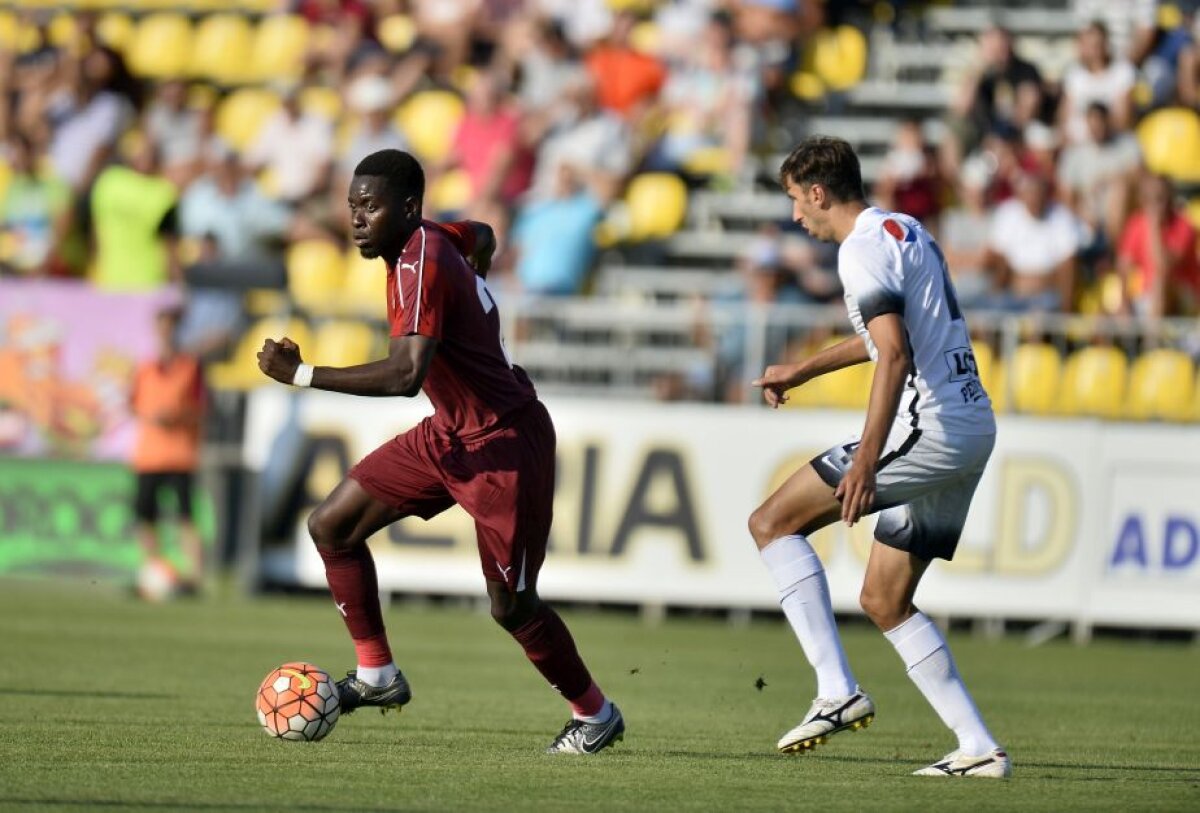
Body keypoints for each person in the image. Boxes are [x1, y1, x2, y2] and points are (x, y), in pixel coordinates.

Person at [255, 149, 624, 755]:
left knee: (511, 606)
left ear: (406, 208)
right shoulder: (431, 237)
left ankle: (596, 712)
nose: (356, 220)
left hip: (505, 445)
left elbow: (405, 374)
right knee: (332, 526)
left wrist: (301, 375)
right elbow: (482, 234)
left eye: (369, 208)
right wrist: (473, 280)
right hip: (449, 433)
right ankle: (377, 676)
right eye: (351, 207)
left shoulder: (419, 265)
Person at [749, 137, 1009, 778]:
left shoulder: (858, 250)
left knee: (771, 523)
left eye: (794, 201)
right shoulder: (903, 229)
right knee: (885, 598)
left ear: (817, 192)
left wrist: (867, 458)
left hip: (935, 429)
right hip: (973, 424)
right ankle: (978, 748)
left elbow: (892, 355)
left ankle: (836, 690)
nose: (794, 218)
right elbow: (886, 335)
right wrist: (803, 370)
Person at [130, 305, 206, 591]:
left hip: (180, 455)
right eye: (162, 327)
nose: (166, 333)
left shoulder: (190, 367)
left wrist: (175, 418)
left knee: (186, 517)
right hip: (148, 456)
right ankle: (151, 571)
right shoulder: (144, 368)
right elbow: (134, 404)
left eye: (170, 327)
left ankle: (194, 578)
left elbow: (201, 410)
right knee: (145, 517)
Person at [1116, 172, 1200, 318]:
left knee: (1160, 284)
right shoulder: (1135, 224)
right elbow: (1123, 266)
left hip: (1184, 297)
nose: (1154, 205)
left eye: (1159, 198)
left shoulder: (1184, 226)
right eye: (1149, 199)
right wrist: (1124, 303)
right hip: (1149, 295)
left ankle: (1152, 340)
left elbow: (1163, 268)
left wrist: (1153, 227)